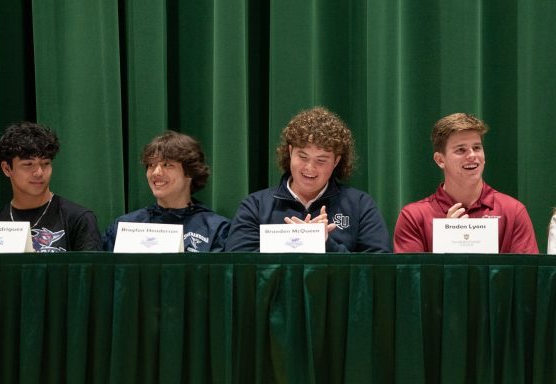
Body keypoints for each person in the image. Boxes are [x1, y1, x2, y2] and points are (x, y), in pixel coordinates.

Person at [225, 106, 391, 252]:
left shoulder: (360, 205)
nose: (310, 168)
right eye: (303, 157)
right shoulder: (255, 206)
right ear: (290, 152)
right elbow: (238, 269)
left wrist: (326, 243)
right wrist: (295, 242)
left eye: (321, 160)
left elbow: (377, 271)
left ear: (336, 161)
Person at [393, 113, 538, 253]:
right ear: (440, 160)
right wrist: (447, 241)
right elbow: (411, 278)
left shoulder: (514, 212)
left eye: (476, 148)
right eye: (461, 150)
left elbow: (525, 276)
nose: (472, 156)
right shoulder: (413, 217)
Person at [102, 131, 230, 252]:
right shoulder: (124, 225)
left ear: (190, 172)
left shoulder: (216, 229)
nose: (156, 172)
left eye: (167, 165)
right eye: (151, 165)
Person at [0, 122, 102, 252]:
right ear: (7, 168)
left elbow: (90, 271)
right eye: (28, 164)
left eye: (45, 163)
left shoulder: (78, 219)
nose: (39, 173)